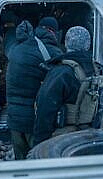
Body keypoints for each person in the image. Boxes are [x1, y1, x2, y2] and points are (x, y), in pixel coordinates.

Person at [32, 26, 102, 147]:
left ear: (66, 42)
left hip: (62, 138)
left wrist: (39, 143)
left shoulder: (62, 72)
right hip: (87, 135)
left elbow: (45, 109)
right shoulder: (95, 69)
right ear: (88, 45)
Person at [5, 16, 62, 159]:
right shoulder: (53, 53)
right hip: (35, 121)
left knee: (21, 161)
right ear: (52, 31)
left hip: (14, 119)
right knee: (38, 161)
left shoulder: (17, 49)